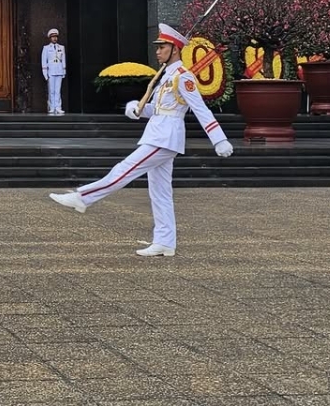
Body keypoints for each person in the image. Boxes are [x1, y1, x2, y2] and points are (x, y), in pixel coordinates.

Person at [48, 22, 234, 256]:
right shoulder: (166, 76)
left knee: (124, 169)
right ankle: (165, 241)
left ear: (174, 49)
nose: (157, 51)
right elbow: (157, 109)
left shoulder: (182, 77)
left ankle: (83, 197)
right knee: (160, 191)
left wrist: (219, 139)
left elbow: (200, 109)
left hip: (165, 138)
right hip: (159, 133)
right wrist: (136, 108)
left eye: (161, 47)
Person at [41, 28, 66, 114]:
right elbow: (44, 61)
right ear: (50, 38)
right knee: (51, 90)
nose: (54, 38)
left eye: (56, 37)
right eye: (53, 37)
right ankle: (51, 107)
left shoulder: (61, 47)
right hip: (51, 71)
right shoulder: (46, 48)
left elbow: (63, 59)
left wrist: (64, 70)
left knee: (58, 90)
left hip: (59, 71)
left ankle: (58, 107)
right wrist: (45, 73)